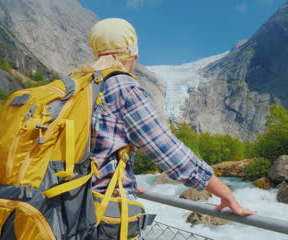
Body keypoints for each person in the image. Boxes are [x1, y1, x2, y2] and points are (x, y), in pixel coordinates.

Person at [85, 18, 256, 219]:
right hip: (103, 211)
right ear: (133, 55)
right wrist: (225, 192)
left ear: (95, 52)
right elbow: (169, 151)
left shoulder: (78, 85)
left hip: (68, 206)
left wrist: (123, 176)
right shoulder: (123, 87)